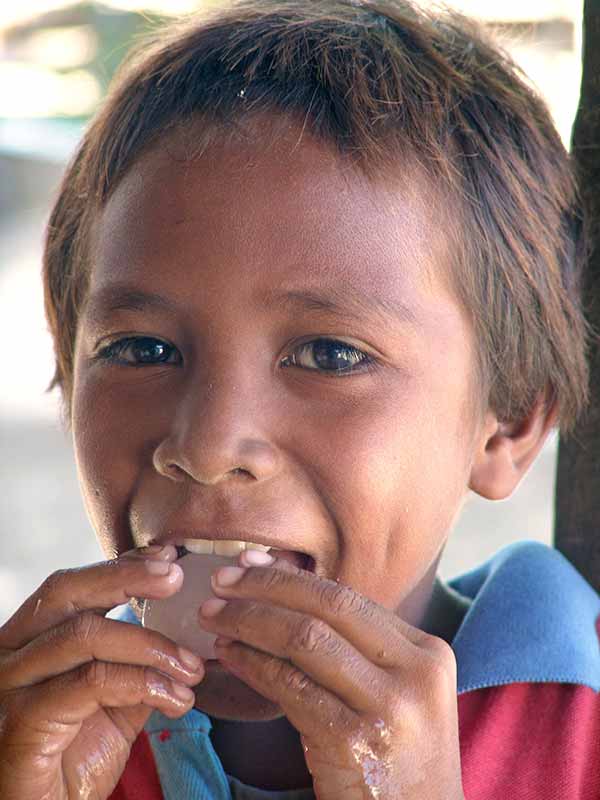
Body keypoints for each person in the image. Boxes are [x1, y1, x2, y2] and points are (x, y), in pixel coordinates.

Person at [1, 0, 598, 797]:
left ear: (511, 423)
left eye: (329, 355)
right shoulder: (34, 735)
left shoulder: (578, 733)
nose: (207, 447)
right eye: (142, 350)